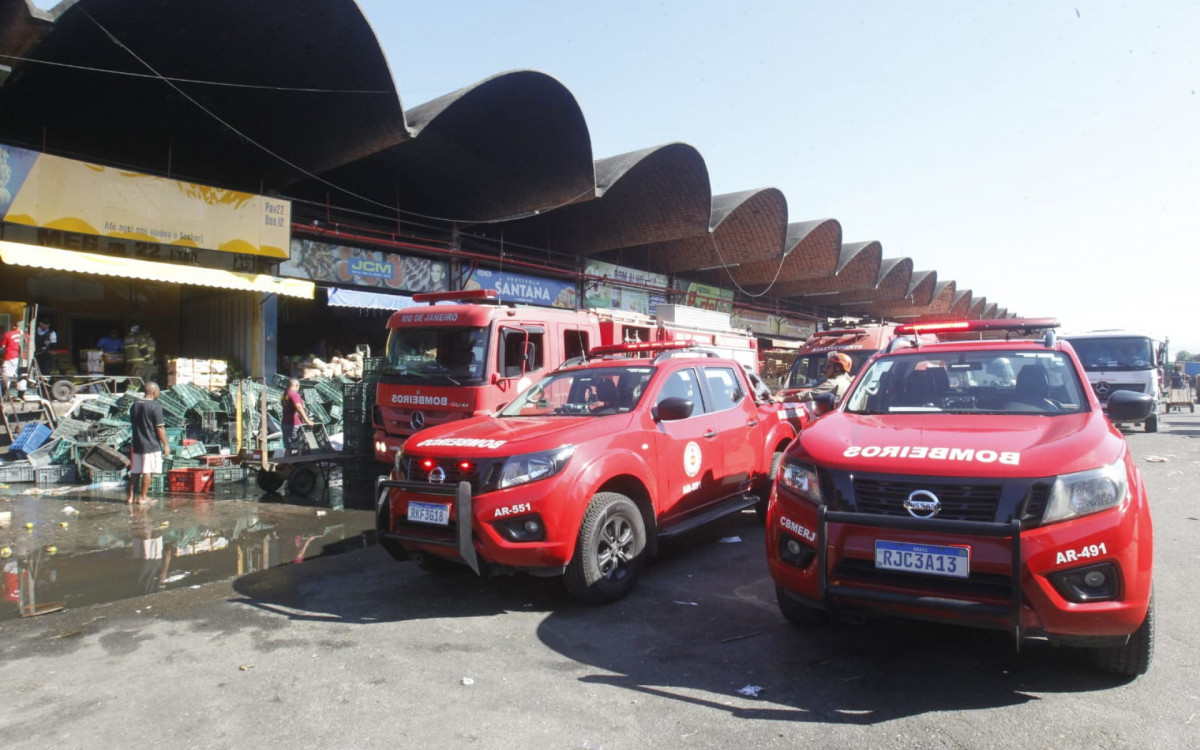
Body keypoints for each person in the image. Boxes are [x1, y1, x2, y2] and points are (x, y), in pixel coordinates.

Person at [127, 381, 170, 505]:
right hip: (150, 444)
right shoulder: (155, 406)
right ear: (155, 392)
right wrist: (166, 445)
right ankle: (142, 497)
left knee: (135, 471)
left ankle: (130, 497)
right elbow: (159, 428)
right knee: (148, 470)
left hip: (137, 443)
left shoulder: (134, 405)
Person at [281, 378, 315, 455]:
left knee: (288, 447)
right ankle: (295, 463)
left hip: (285, 423)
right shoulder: (294, 394)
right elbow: (298, 407)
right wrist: (307, 421)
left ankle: (287, 464)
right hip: (293, 424)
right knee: (297, 446)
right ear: (297, 385)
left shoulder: (284, 395)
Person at [1, 321, 28, 402]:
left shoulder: (8, 334)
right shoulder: (26, 336)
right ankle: (21, 396)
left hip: (10, 358)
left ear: (14, 326)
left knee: (6, 377)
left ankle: (3, 397)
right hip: (22, 359)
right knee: (22, 377)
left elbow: (3, 346)